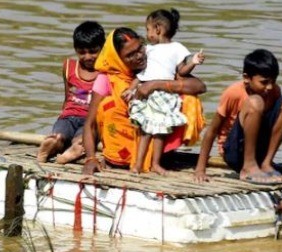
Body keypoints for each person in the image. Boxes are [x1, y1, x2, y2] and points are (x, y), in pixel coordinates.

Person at [82, 27, 206, 176]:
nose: (139, 56)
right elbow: (89, 123)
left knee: (190, 99)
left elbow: (199, 86)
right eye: (130, 55)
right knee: (108, 106)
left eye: (140, 48)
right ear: (118, 59)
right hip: (119, 157)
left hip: (159, 146)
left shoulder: (158, 66)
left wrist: (154, 84)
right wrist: (90, 158)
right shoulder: (107, 79)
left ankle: (156, 160)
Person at [194, 49, 282, 184]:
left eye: (273, 81)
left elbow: (275, 121)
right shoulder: (234, 93)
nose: (270, 87)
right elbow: (212, 131)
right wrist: (200, 170)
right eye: (264, 82)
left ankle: (266, 163)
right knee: (255, 102)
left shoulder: (274, 90)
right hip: (234, 152)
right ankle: (249, 166)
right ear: (247, 78)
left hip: (259, 149)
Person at [126, 8, 205, 175]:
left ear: (158, 28)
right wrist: (131, 89)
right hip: (145, 93)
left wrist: (194, 62)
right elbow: (141, 75)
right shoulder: (148, 49)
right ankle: (138, 165)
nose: (147, 33)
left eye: (148, 29)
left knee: (160, 130)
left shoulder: (177, 48)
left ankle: (155, 163)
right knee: (145, 130)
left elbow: (182, 71)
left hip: (164, 95)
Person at [37, 21, 106, 164]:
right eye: (82, 52)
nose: (87, 57)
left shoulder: (107, 72)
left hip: (90, 121)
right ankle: (51, 146)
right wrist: (62, 115)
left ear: (103, 48)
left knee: (81, 139)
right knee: (59, 135)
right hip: (68, 117)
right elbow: (67, 97)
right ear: (75, 50)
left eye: (93, 51)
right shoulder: (69, 67)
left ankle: (71, 149)